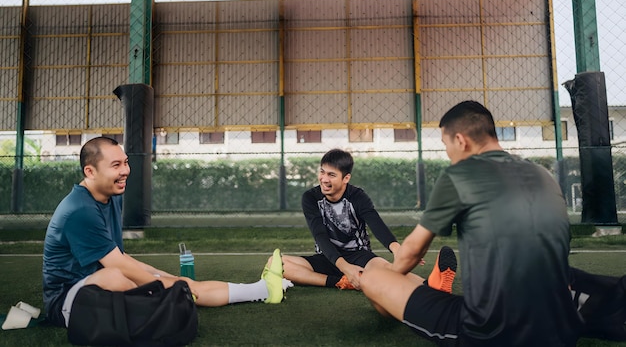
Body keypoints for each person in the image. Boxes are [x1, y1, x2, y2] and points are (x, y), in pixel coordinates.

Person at [359, 100, 582, 346]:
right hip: (561, 327)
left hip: (492, 332)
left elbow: (411, 253)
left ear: (461, 141)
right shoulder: (542, 174)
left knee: (373, 276)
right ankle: (430, 285)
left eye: (446, 145)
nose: (447, 154)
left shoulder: (461, 174)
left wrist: (388, 279)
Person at [43, 136, 291, 329]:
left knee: (179, 283)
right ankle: (166, 305)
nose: (125, 171)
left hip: (107, 283)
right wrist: (164, 287)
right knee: (118, 278)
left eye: (126, 162)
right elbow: (117, 266)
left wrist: (169, 279)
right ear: (90, 172)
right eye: (116, 165)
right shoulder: (79, 210)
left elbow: (120, 256)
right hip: (67, 302)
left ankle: (263, 290)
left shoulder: (111, 196)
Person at [280, 148, 405, 290]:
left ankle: (358, 277)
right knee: (277, 264)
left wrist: (397, 249)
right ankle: (340, 281)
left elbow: (376, 224)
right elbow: (320, 236)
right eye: (322, 172)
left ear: (346, 178)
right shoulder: (310, 197)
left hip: (359, 256)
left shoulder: (357, 196)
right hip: (327, 257)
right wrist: (346, 269)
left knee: (390, 273)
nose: (324, 179)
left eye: (331, 175)